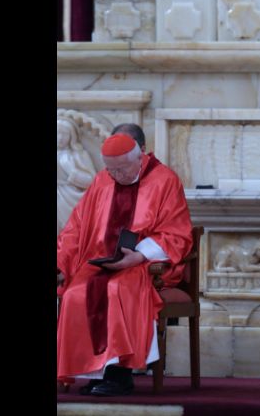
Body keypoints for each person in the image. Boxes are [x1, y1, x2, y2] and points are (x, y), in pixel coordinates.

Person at [57, 126, 193, 397]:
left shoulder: (165, 181)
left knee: (117, 290)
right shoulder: (102, 180)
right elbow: (76, 228)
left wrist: (141, 254)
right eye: (111, 170)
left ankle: (120, 375)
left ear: (139, 158)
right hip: (100, 262)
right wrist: (61, 262)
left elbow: (177, 232)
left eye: (121, 170)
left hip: (144, 265)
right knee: (75, 294)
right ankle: (94, 371)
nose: (116, 176)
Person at [57, 117, 96, 234]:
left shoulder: (79, 155)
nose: (60, 138)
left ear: (72, 136)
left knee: (71, 232)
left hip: (71, 196)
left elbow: (92, 181)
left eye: (64, 134)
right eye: (57, 133)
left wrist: (72, 172)